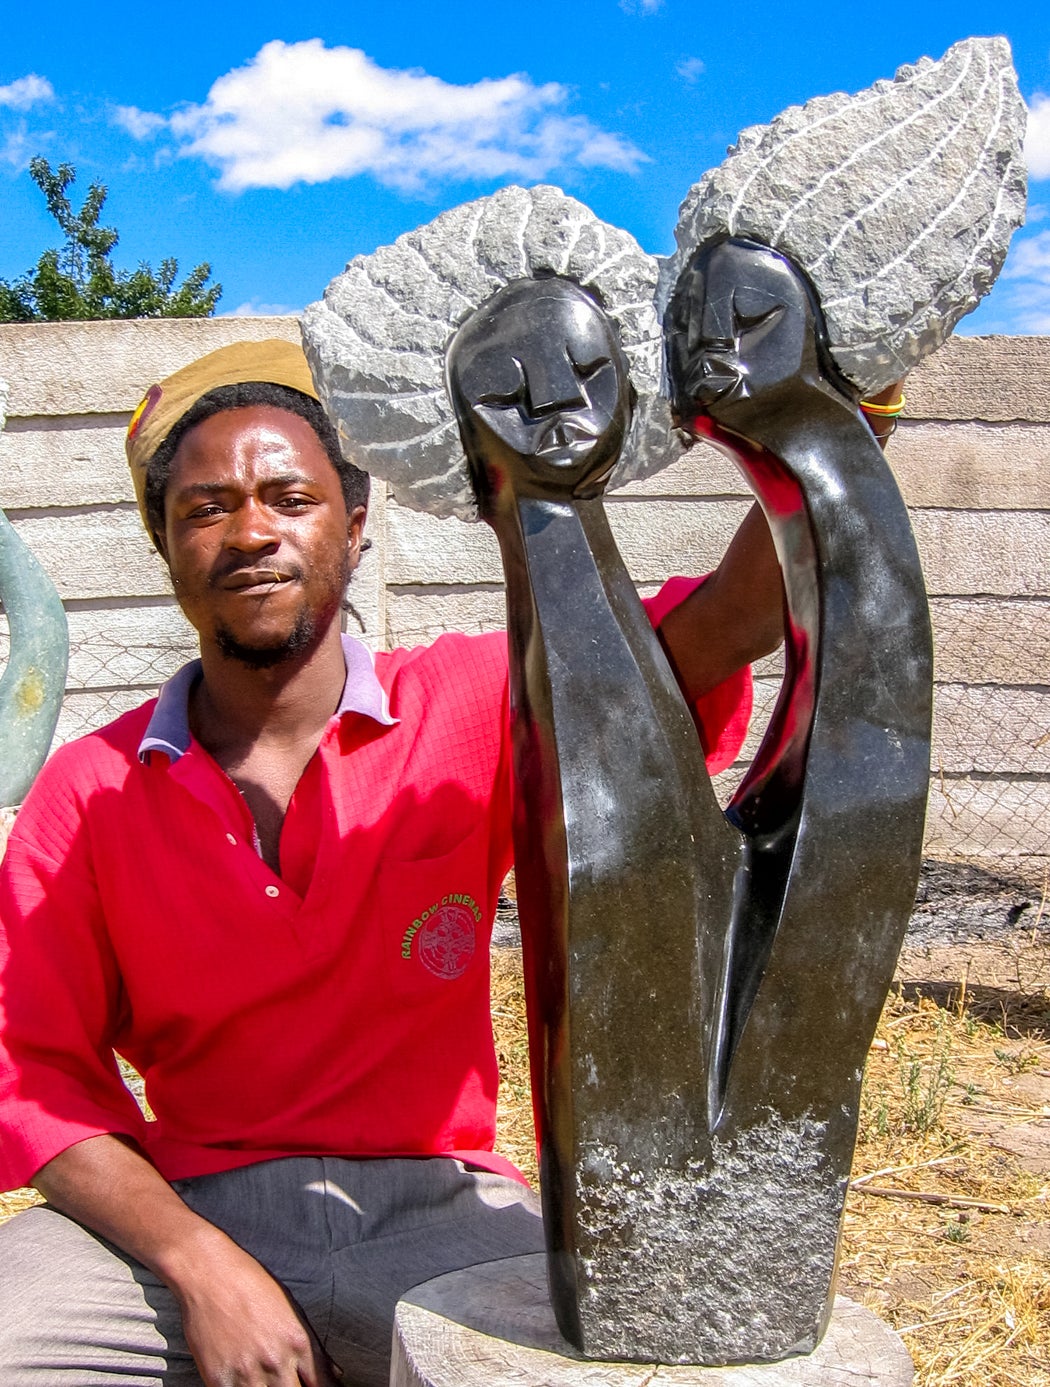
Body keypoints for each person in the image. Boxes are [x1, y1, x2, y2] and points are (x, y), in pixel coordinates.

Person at [0, 338, 785, 1386]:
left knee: (641, 1361)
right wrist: (200, 1263)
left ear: (356, 525)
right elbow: (34, 1075)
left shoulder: (472, 703)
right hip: (189, 1205)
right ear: (164, 541)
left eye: (290, 495)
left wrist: (836, 411)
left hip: (441, 1203)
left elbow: (736, 615)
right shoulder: (92, 791)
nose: (250, 532)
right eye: (204, 507)